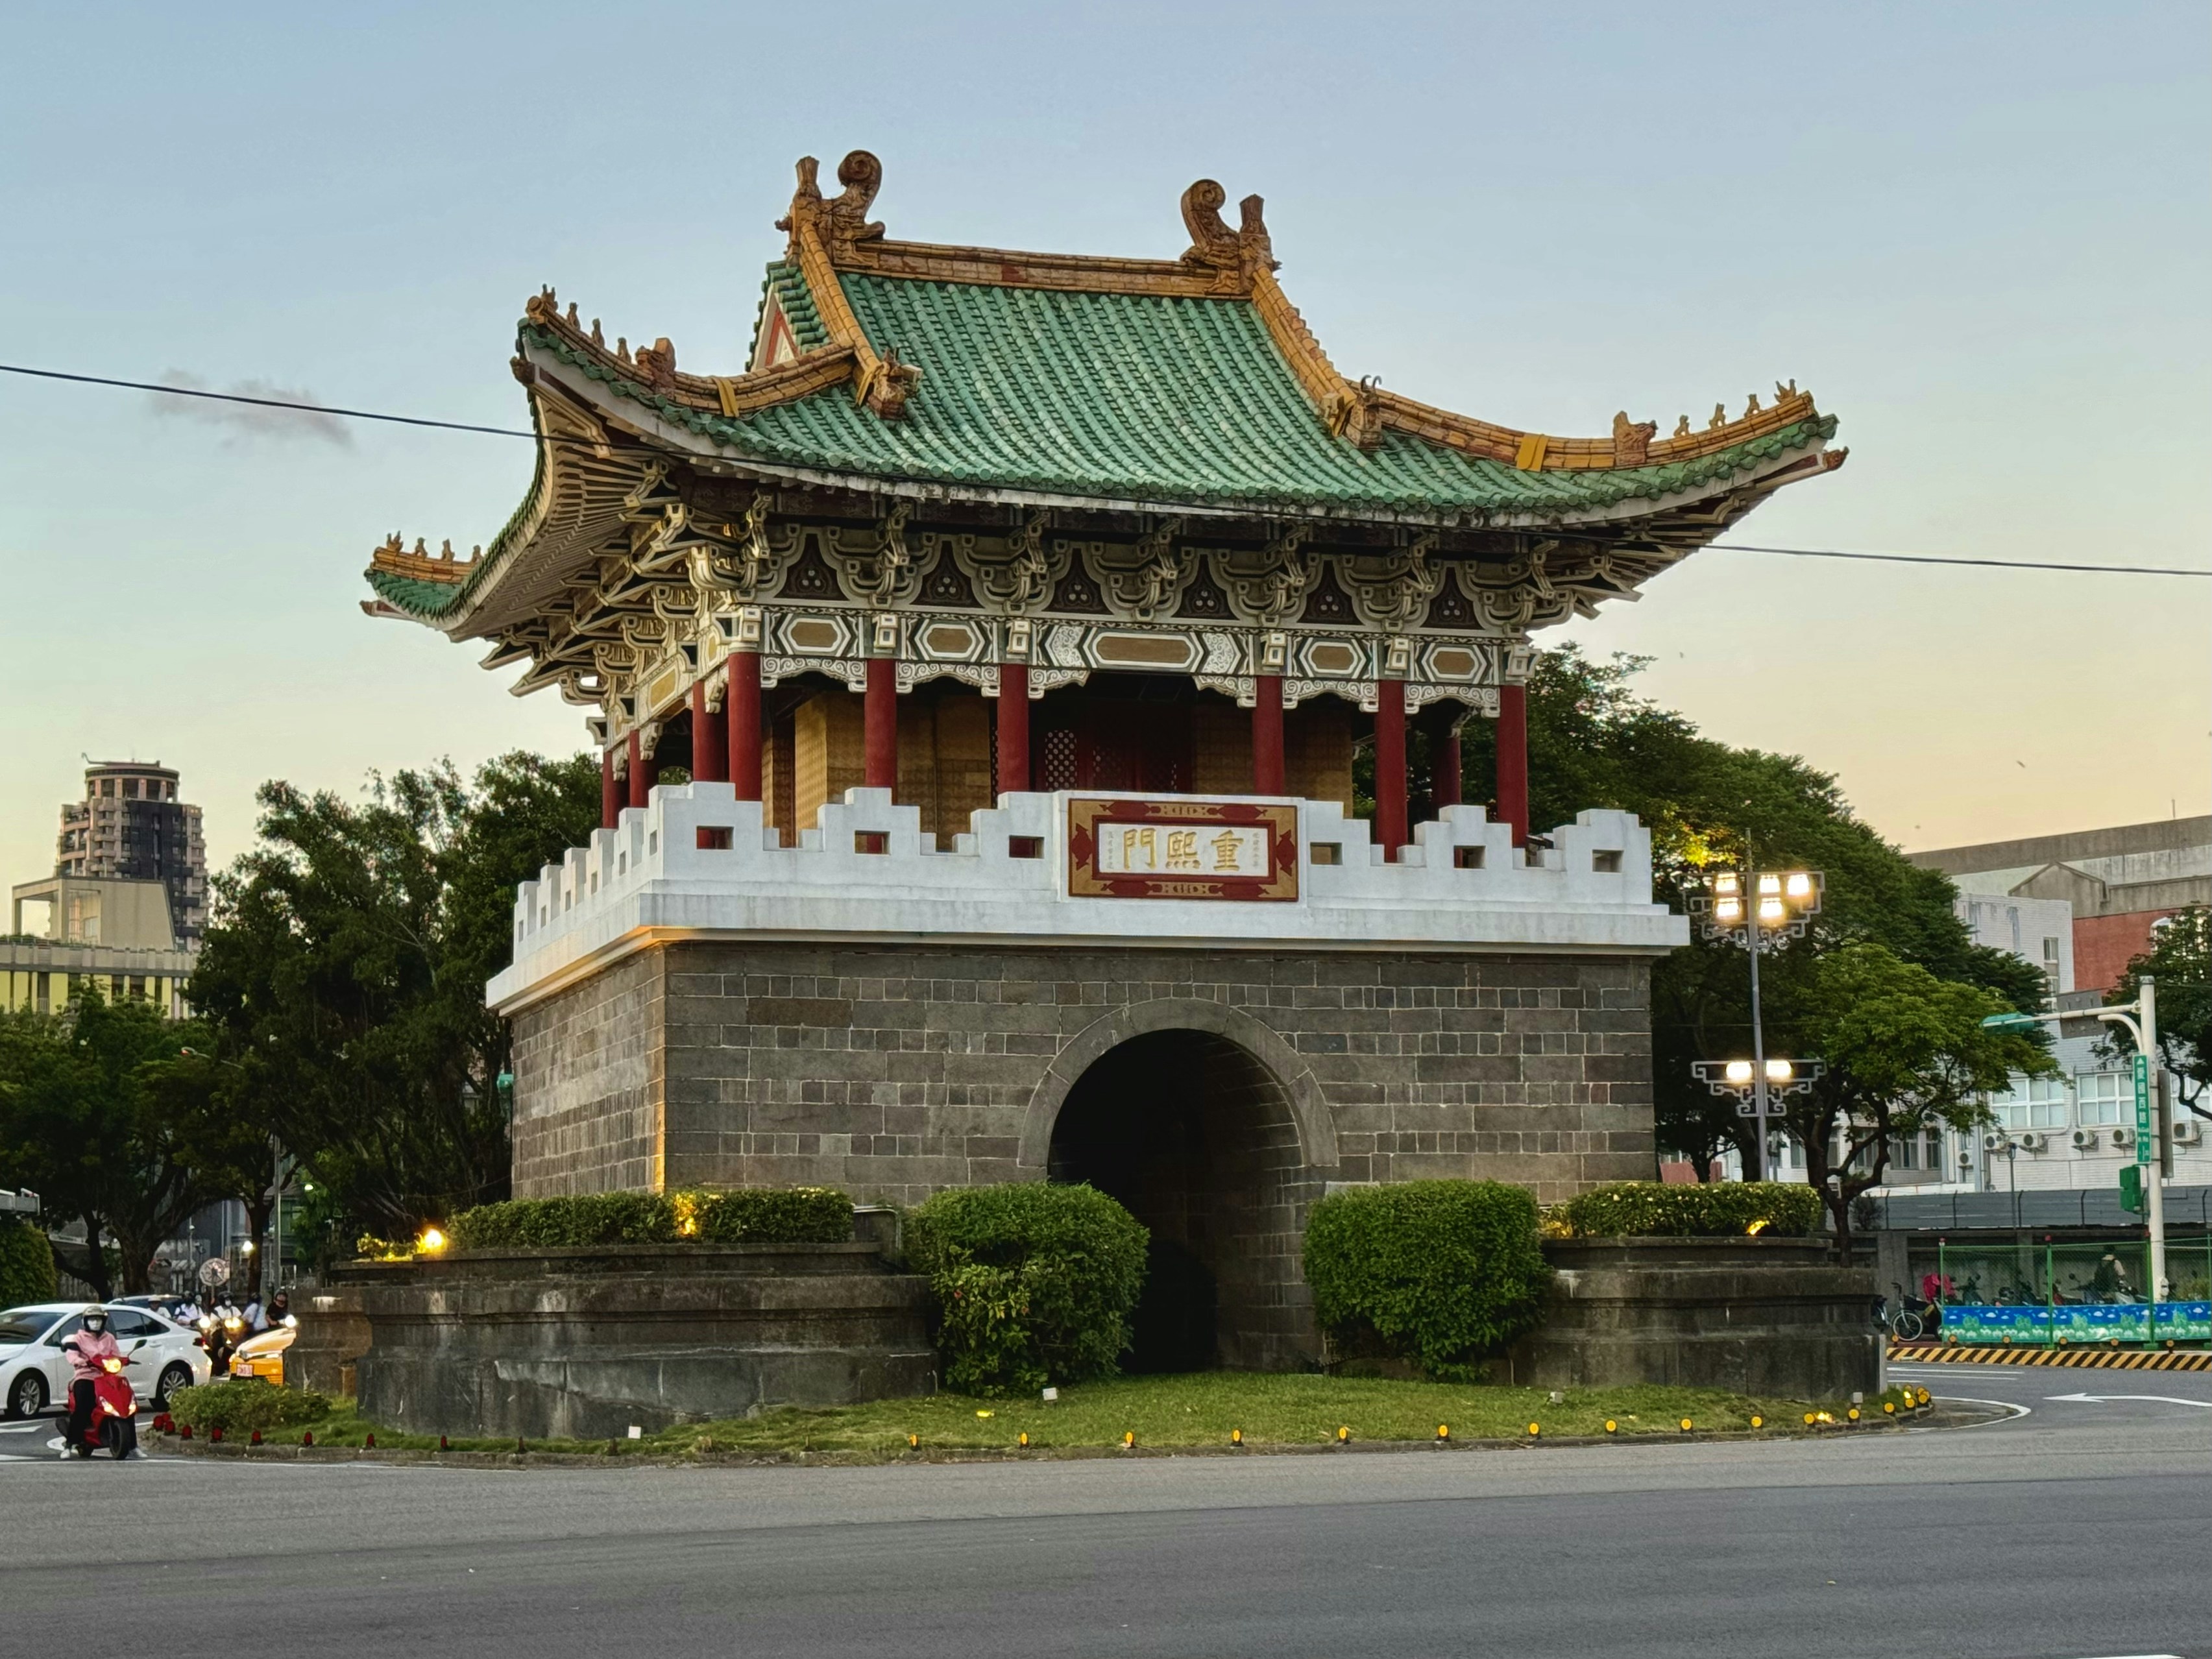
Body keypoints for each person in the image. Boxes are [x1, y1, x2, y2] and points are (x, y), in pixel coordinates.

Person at [59, 1306, 121, 1456]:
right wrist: (82, 1361)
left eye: (98, 1319)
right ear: (85, 1322)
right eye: (92, 1319)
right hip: (86, 1376)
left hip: (106, 1378)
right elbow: (71, 1355)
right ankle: (69, 1444)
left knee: (125, 1405)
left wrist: (120, 1361)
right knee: (82, 1407)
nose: (95, 1323)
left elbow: (116, 1355)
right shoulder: (78, 1338)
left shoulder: (110, 1338)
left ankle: (132, 1445)